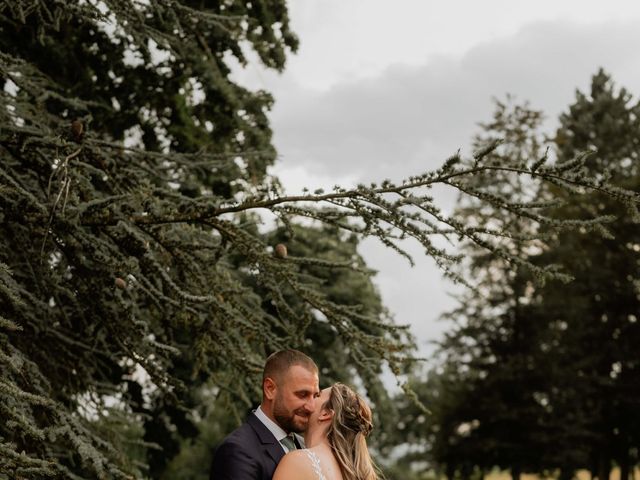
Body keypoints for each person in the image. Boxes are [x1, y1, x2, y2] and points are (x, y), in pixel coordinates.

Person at [210, 349, 320, 480]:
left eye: (315, 396)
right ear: (270, 389)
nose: (312, 407)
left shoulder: (306, 445)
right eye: (302, 395)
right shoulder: (237, 451)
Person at [272, 383, 380, 480]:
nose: (308, 400)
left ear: (325, 414)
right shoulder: (349, 474)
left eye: (316, 396)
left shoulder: (297, 462)